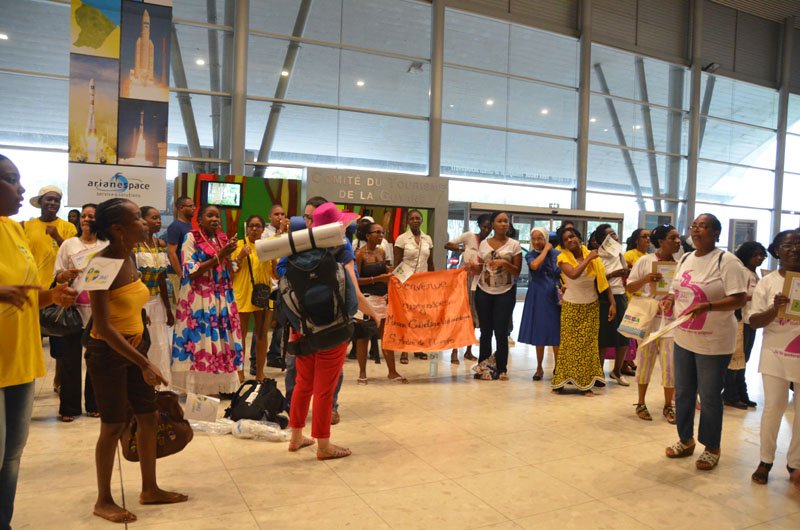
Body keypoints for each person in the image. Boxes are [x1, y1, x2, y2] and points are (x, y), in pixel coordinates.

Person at [85, 198, 187, 523]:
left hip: (133, 349)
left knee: (148, 416)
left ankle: (150, 488)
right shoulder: (100, 265)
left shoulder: (129, 257)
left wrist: (141, 339)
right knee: (113, 425)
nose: (144, 223)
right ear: (118, 229)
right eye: (137, 219)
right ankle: (103, 499)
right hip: (107, 355)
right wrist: (144, 363)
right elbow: (102, 325)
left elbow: (132, 305)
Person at [1, 154, 77, 529]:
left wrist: (52, 295)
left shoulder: (13, 231)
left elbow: (27, 291)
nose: (21, 189)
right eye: (12, 180)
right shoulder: (25, 226)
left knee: (12, 454)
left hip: (22, 355)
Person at [662, 213, 748, 471]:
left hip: (714, 341)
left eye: (704, 226)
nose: (697, 230)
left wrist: (708, 306)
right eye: (694, 226)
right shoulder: (686, 258)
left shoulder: (727, 261)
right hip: (684, 337)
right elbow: (676, 289)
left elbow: (739, 299)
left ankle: (712, 446)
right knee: (684, 392)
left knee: (709, 396)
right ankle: (685, 440)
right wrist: (668, 299)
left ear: (716, 233)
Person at [282, 198, 378, 425]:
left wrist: (297, 323)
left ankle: (296, 433)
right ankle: (323, 443)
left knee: (302, 383)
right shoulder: (341, 250)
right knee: (326, 386)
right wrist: (372, 314)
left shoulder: (297, 247)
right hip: (333, 328)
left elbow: (284, 282)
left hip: (302, 327)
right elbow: (353, 295)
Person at [171, 204, 243, 395]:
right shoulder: (191, 238)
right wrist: (220, 256)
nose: (215, 219)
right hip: (199, 298)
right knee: (200, 339)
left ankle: (216, 387)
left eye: (217, 216)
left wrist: (235, 258)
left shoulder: (222, 239)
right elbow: (190, 270)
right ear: (200, 219)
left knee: (219, 338)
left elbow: (229, 268)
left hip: (221, 295)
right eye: (210, 215)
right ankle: (196, 389)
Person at [748, 229, 800, 488]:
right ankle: (765, 460)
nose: (794, 249)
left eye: (798, 244)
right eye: (787, 245)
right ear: (777, 250)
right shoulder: (767, 282)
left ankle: (795, 463)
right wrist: (775, 308)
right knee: (774, 408)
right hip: (775, 355)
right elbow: (754, 321)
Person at [52, 203, 105, 421]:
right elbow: (57, 275)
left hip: (98, 310)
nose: (86, 219)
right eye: (83, 216)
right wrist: (66, 275)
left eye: (91, 216)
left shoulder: (105, 245)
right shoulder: (69, 245)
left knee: (95, 360)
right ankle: (69, 408)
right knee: (70, 360)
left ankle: (94, 404)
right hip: (72, 308)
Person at [626, 224, 681, 424]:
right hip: (648, 321)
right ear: (661, 241)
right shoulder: (645, 261)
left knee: (670, 366)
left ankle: (668, 405)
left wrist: (673, 298)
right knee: (645, 363)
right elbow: (630, 286)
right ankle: (640, 402)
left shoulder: (681, 264)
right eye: (672, 238)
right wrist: (646, 279)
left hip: (670, 323)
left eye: (678, 238)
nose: (677, 242)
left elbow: (683, 290)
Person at [552, 227, 613, 395]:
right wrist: (589, 258)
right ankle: (560, 382)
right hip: (572, 307)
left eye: (572, 236)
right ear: (563, 244)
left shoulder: (591, 256)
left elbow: (602, 282)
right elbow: (573, 274)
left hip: (591, 306)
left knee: (588, 346)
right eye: (566, 239)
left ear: (579, 237)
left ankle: (585, 384)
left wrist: (613, 303)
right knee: (570, 346)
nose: (570, 240)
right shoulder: (562, 258)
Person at [471, 212, 522, 381]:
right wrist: (473, 266)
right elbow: (480, 269)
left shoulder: (514, 245)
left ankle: (502, 369)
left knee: (501, 332)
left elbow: (517, 271)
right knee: (485, 332)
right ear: (493, 224)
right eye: (499, 221)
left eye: (506, 221)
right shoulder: (484, 244)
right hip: (483, 291)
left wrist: (505, 263)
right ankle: (483, 367)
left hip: (505, 292)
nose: (503, 224)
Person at [354, 222, 407, 384]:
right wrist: (376, 279)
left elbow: (386, 274)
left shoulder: (382, 252)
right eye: (377, 232)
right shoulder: (359, 254)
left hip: (382, 299)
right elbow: (355, 280)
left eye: (382, 232)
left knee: (386, 336)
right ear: (367, 235)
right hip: (365, 300)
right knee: (363, 338)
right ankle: (362, 373)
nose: (381, 235)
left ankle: (392, 371)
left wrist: (392, 273)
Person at [133, 206, 174, 389]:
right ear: (142, 221)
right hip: (138, 303)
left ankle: (159, 388)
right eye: (154, 218)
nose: (159, 221)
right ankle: (141, 387)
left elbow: (162, 280)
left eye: (159, 218)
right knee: (142, 346)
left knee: (160, 345)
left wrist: (168, 309)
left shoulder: (160, 245)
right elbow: (131, 281)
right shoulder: (134, 246)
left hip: (157, 302)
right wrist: (138, 309)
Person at [723, 241, 766, 408]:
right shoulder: (742, 272)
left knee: (744, 359)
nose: (759, 258)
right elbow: (738, 296)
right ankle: (730, 394)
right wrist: (756, 296)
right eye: (756, 255)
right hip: (740, 320)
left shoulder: (754, 274)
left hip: (751, 320)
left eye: (762, 255)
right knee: (736, 359)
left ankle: (742, 393)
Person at [444, 214, 491, 364]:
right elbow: (447, 244)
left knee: (474, 317)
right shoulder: (470, 236)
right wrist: (463, 249)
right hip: (464, 279)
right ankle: (454, 351)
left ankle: (469, 351)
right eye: (484, 226)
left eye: (489, 227)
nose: (487, 230)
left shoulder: (489, 243)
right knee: (460, 314)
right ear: (479, 225)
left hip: (479, 282)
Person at [232, 215, 273, 382]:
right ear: (246, 228)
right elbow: (231, 269)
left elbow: (276, 274)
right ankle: (239, 371)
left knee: (262, 334)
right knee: (240, 336)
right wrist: (240, 256)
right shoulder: (238, 246)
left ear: (263, 229)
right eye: (251, 226)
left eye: (258, 226)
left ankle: (260, 372)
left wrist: (275, 261)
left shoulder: (267, 248)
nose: (254, 229)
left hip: (262, 295)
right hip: (242, 294)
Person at [519, 226, 561, 381]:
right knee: (539, 331)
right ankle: (539, 367)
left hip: (553, 294)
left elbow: (561, 272)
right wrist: (545, 251)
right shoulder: (530, 255)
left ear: (546, 239)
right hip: (537, 294)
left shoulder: (557, 254)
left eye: (540, 238)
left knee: (555, 331)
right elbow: (535, 266)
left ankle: (558, 367)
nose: (537, 242)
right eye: (534, 239)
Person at [591, 224, 630, 386]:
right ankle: (598, 372)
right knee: (604, 336)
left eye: (615, 234)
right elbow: (596, 280)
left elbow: (624, 271)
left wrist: (625, 272)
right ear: (602, 240)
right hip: (605, 298)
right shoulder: (596, 257)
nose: (615, 237)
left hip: (621, 295)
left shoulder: (619, 253)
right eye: (610, 235)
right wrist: (615, 274)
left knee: (624, 335)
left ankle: (617, 371)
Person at [394, 209, 434, 364]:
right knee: (407, 317)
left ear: (422, 220)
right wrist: (404, 281)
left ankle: (418, 347)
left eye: (418, 218)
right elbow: (397, 264)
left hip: (423, 285)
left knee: (420, 316)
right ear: (408, 221)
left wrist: (434, 282)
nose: (415, 221)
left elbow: (430, 263)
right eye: (412, 218)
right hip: (406, 284)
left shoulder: (427, 239)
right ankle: (404, 350)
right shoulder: (402, 239)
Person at [166, 196, 195, 300]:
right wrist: (180, 274)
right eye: (191, 206)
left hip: (187, 271)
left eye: (193, 205)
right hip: (178, 272)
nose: (194, 208)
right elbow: (171, 252)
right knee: (182, 304)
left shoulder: (189, 225)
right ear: (181, 207)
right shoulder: (175, 227)